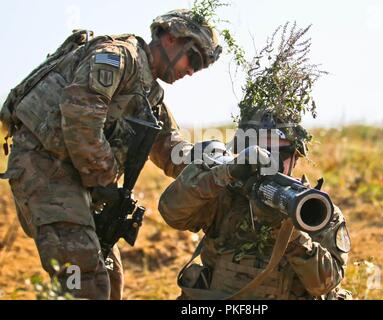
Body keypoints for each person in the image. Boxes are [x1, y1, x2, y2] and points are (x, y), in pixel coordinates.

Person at [0, 9, 222, 300]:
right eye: (193, 59)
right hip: (45, 168)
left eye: (200, 67)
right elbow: (81, 116)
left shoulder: (150, 95)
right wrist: (106, 183)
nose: (192, 71)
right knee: (85, 282)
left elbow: (169, 147)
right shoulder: (116, 57)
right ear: (170, 38)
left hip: (79, 182)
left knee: (109, 279)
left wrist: (216, 166)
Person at [158, 109, 352, 300]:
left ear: (296, 156)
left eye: (280, 153)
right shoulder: (226, 195)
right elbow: (172, 211)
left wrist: (289, 234)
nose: (270, 162)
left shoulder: (316, 210)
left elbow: (326, 284)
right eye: (262, 152)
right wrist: (225, 173)